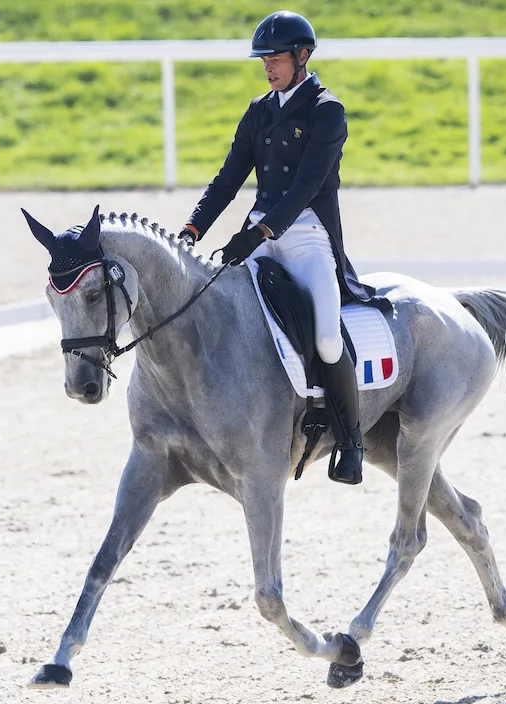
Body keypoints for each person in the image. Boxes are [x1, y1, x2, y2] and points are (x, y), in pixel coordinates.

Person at [179, 10, 372, 485]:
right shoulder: (258, 109)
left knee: (327, 337)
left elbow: (306, 185)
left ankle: (351, 442)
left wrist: (260, 233)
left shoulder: (327, 110)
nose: (268, 66)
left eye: (276, 57)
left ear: (302, 56)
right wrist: (192, 228)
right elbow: (228, 178)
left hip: (306, 235)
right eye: (263, 58)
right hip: (261, 233)